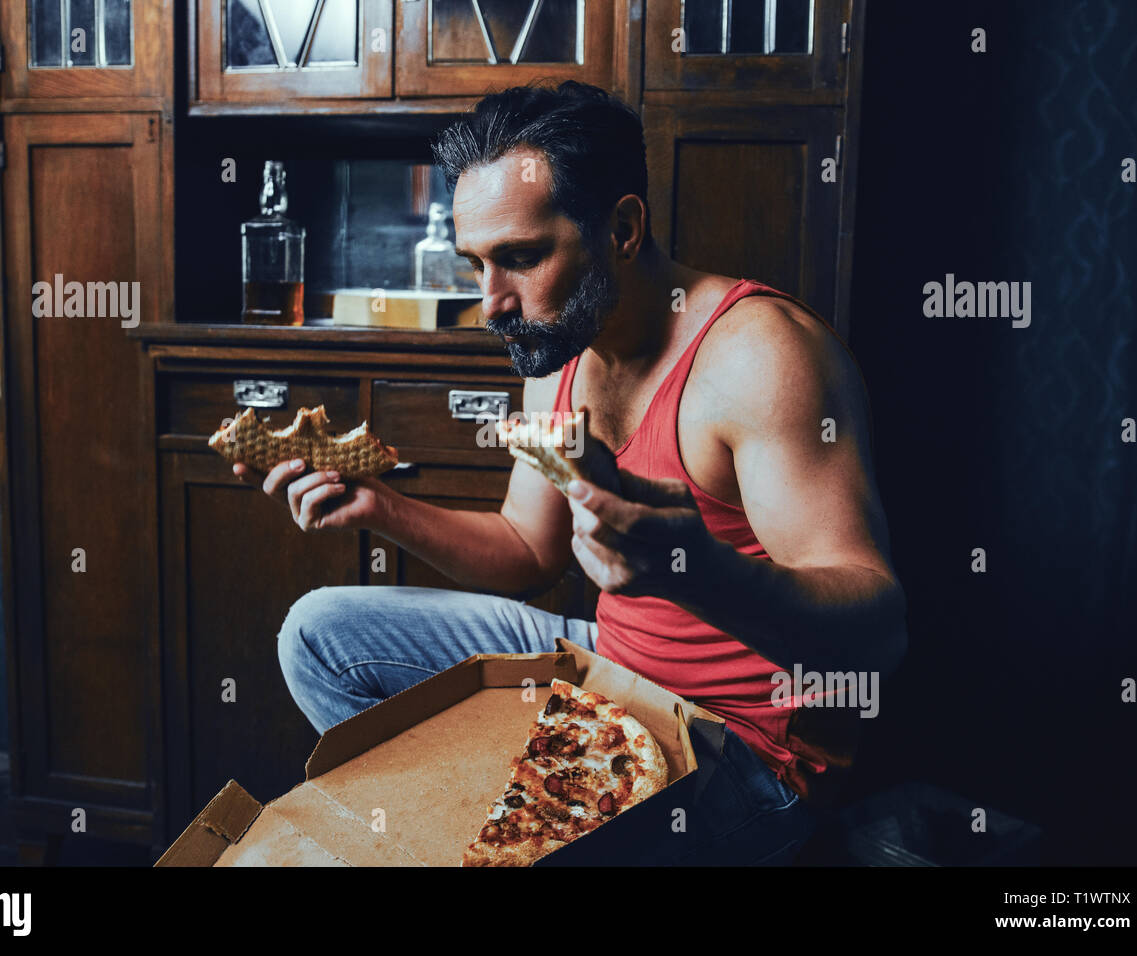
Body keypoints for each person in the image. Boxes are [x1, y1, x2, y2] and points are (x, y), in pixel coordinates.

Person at [233, 81, 906, 866]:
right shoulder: (558, 345)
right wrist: (381, 508)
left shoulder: (761, 360)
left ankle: (502, 825)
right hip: (608, 671)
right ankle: (489, 820)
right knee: (321, 636)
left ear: (621, 228)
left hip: (744, 745)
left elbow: (879, 634)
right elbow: (527, 552)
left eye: (520, 258)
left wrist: (695, 570)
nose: (491, 303)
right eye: (477, 264)